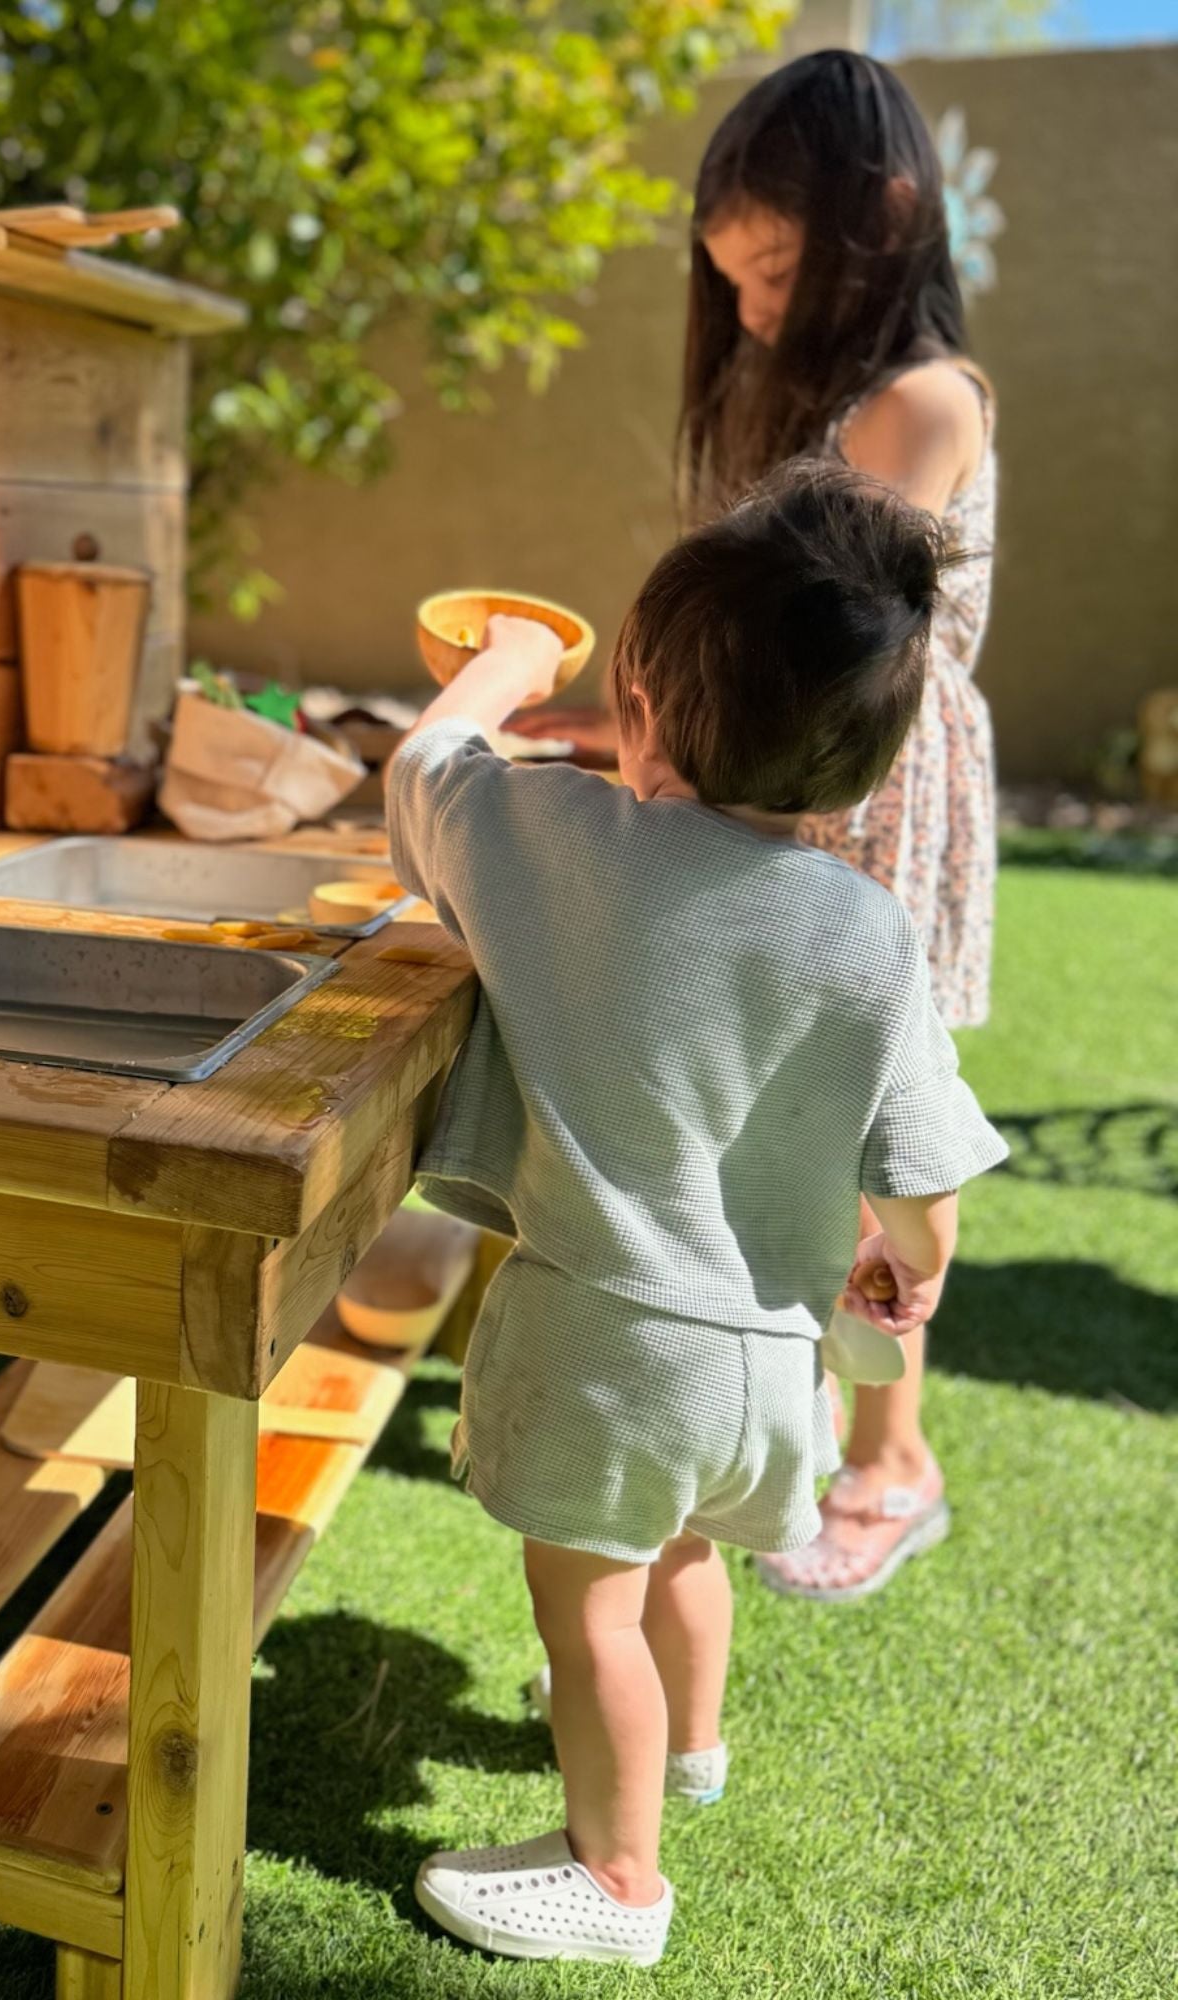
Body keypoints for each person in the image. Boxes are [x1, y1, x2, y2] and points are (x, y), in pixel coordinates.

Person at [387, 464, 1006, 1965]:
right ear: (863, 767)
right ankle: (696, 1750)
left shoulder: (551, 842)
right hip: (768, 1368)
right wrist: (897, 1269)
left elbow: (422, 773)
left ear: (639, 707)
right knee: (687, 1559)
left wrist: (514, 658)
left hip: (608, 1348)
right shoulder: (863, 926)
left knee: (587, 1609)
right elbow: (918, 1188)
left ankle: (618, 1879)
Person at [681, 49, 1000, 1598]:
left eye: (777, 270)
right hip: (815, 773)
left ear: (882, 216)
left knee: (886, 1133)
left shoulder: (923, 401)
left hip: (874, 784)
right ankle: (813, 1414)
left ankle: (893, 1460)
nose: (747, 309)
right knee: (794, 1123)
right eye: (729, 276)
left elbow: (835, 623)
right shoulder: (834, 395)